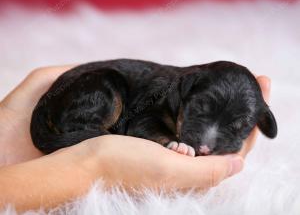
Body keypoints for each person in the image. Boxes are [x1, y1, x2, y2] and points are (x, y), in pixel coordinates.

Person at [0, 65, 271, 212]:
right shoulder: (165, 93)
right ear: (185, 92)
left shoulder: (189, 91)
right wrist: (98, 165)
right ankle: (81, 130)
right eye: (200, 110)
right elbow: (142, 128)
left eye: (236, 128)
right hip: (98, 86)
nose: (206, 144)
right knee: (106, 91)